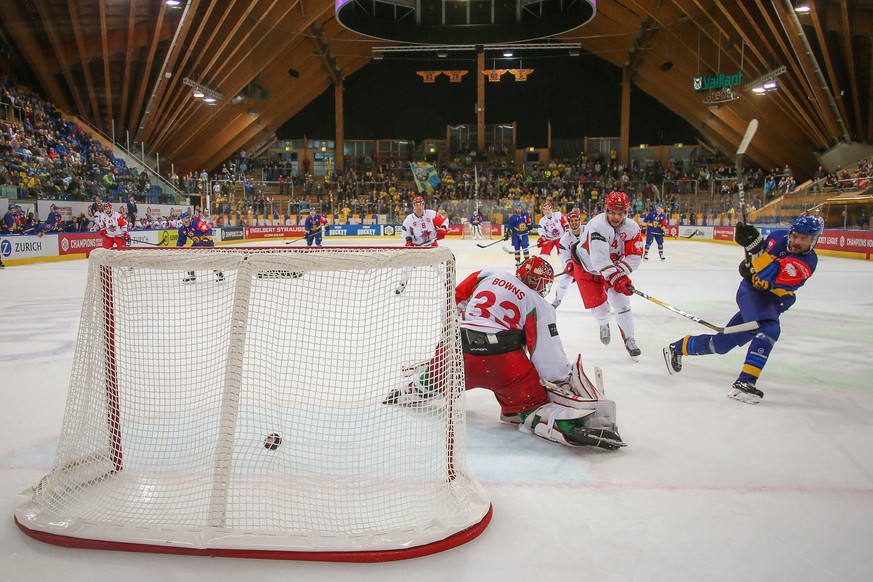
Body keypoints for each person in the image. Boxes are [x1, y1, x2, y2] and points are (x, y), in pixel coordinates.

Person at [384, 257, 626, 451]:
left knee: (434, 378)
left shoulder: (488, 273)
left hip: (456, 354)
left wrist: (452, 337)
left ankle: (408, 391)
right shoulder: (539, 304)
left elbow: (453, 301)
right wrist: (562, 379)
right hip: (503, 365)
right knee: (532, 406)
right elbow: (545, 354)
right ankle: (563, 427)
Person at [663, 215, 821, 404]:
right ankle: (745, 383)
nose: (797, 242)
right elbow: (754, 261)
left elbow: (770, 273)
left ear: (814, 240)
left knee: (721, 345)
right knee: (769, 329)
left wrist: (754, 250)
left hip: (773, 301)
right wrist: (749, 251)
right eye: (795, 236)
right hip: (752, 293)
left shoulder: (807, 263)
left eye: (804, 239)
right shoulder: (777, 237)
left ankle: (678, 347)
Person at [567, 190, 644, 360]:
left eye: (620, 213)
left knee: (621, 302)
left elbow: (635, 256)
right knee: (601, 309)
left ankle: (629, 339)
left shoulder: (632, 228)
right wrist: (617, 277)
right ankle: (603, 323)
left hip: (611, 268)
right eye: (612, 212)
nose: (616, 217)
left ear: (626, 213)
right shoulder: (597, 226)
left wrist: (620, 274)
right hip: (586, 268)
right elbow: (599, 260)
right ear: (606, 210)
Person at [396, 195, 448, 294]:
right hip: (417, 247)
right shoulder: (409, 219)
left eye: (420, 204)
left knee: (440, 268)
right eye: (416, 205)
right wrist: (408, 242)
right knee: (406, 266)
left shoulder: (431, 214)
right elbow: (406, 233)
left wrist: (443, 229)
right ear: (413, 206)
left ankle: (447, 286)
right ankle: (402, 285)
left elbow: (444, 220)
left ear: (423, 205)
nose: (418, 207)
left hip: (431, 245)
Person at [177, 211, 223, 283]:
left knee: (210, 259)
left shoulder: (196, 222)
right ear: (181, 220)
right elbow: (181, 241)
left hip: (206, 242)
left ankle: (220, 275)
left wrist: (207, 239)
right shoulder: (182, 229)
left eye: (186, 218)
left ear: (189, 218)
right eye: (183, 219)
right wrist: (177, 248)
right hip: (196, 243)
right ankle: (192, 275)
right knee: (189, 257)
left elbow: (208, 229)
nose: (185, 220)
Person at [551, 208, 583, 308]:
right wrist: (568, 263)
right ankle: (557, 299)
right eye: (571, 221)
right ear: (569, 222)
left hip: (591, 263)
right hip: (576, 264)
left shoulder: (588, 231)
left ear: (580, 220)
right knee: (565, 279)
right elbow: (564, 255)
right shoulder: (565, 239)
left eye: (576, 220)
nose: (574, 223)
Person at [505, 202, 532, 267]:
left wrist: (530, 225)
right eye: (517, 208)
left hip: (524, 234)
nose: (519, 209)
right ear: (516, 209)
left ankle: (527, 261)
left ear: (521, 208)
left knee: (525, 248)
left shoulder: (526, 215)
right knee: (517, 248)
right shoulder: (513, 217)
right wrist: (508, 233)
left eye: (520, 208)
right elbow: (510, 227)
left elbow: (529, 222)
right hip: (515, 235)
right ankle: (517, 261)